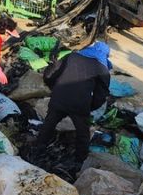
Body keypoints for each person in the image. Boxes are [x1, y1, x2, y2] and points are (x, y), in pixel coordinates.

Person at [32, 40, 111, 171]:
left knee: (49, 124)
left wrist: (54, 88)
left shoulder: (72, 56)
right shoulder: (102, 68)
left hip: (59, 98)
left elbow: (50, 73)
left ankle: (38, 148)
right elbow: (101, 95)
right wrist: (90, 106)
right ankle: (79, 161)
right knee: (83, 133)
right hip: (80, 104)